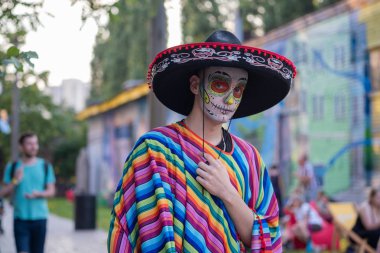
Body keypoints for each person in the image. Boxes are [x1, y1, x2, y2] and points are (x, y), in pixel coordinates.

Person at [107, 30, 296, 252]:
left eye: (239, 89)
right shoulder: (154, 151)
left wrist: (228, 192)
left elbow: (269, 241)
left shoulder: (249, 159)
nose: (230, 99)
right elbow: (125, 230)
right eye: (219, 85)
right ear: (195, 85)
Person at [2, 132, 56, 253]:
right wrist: (15, 180)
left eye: (35, 143)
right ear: (21, 147)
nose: (34, 147)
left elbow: (51, 191)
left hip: (40, 219)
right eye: (29, 144)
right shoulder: (13, 166)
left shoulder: (45, 165)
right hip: (20, 219)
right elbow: (3, 192)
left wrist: (39, 194)